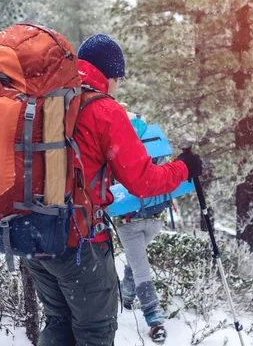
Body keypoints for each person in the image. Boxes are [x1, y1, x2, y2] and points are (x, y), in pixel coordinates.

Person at [22, 33, 203, 346]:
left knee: (58, 324)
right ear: (109, 75)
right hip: (79, 244)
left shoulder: (48, 97)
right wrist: (184, 168)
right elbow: (144, 182)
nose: (118, 86)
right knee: (95, 334)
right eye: (119, 78)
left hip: (33, 237)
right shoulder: (105, 110)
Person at [114, 113, 171, 343]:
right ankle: (128, 297)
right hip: (156, 216)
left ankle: (154, 320)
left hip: (129, 221)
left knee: (139, 267)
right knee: (139, 264)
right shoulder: (154, 142)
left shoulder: (117, 147)